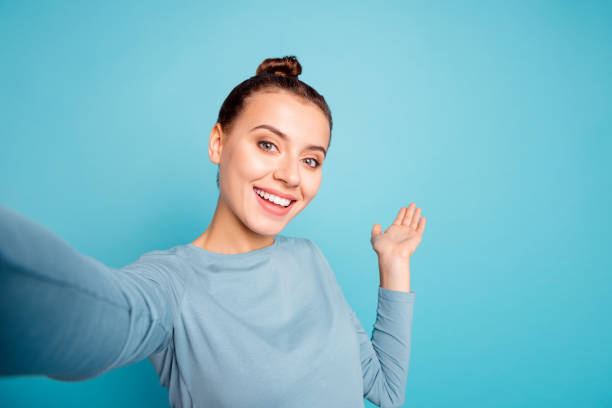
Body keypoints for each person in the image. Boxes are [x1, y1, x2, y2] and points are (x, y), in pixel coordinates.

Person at [0, 56, 426, 408]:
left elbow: (386, 391)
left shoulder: (309, 258)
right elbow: (87, 315)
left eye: (311, 160)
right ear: (218, 144)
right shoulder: (170, 283)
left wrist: (394, 264)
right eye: (267, 144)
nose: (290, 176)